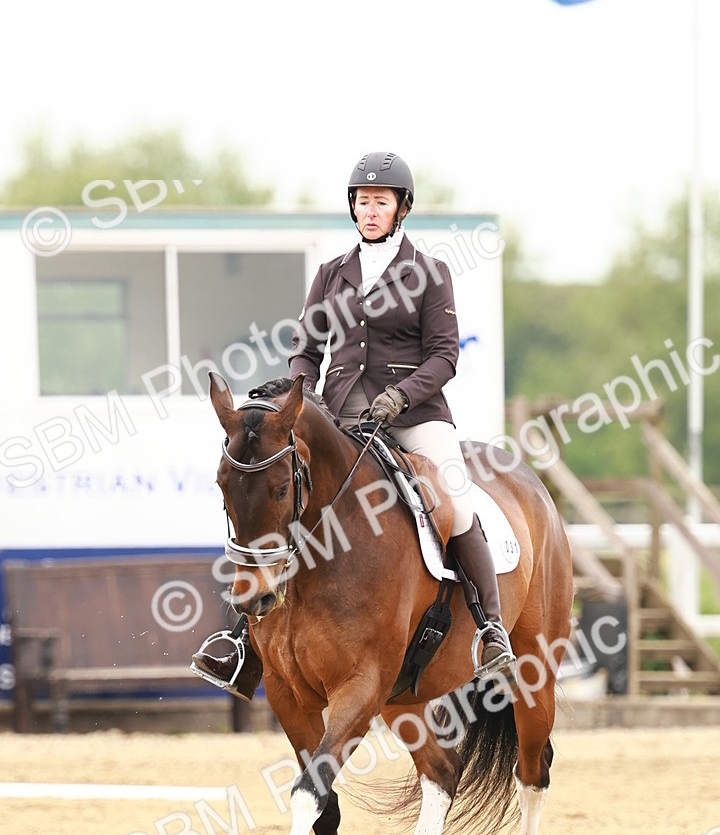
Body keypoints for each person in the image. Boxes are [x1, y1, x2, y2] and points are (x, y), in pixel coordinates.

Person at [191, 151, 516, 700]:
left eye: (380, 202)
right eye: (362, 202)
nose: (370, 211)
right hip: (340, 418)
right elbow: (306, 350)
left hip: (414, 418)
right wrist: (299, 395)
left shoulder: (429, 274)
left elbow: (444, 357)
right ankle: (241, 643)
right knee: (271, 496)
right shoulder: (330, 274)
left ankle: (490, 631)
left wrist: (400, 397)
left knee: (457, 503)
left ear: (401, 208)